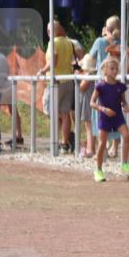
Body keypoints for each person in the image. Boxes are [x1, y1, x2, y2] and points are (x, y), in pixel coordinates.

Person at [90, 56, 129, 182]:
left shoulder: (120, 86)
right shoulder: (100, 86)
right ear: (105, 70)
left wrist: (125, 105)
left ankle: (124, 164)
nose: (115, 71)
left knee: (126, 136)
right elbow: (92, 103)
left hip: (118, 116)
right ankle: (98, 170)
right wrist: (103, 109)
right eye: (112, 68)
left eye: (116, 69)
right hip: (104, 117)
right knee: (103, 144)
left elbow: (123, 100)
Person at [37, 20, 75, 153]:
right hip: (68, 81)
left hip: (56, 82)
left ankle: (56, 141)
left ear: (50, 31)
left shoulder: (53, 43)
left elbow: (53, 62)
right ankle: (64, 143)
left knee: (49, 110)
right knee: (65, 114)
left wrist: (42, 70)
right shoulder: (68, 42)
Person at [77, 53, 97, 158]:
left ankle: (90, 149)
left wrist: (80, 77)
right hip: (94, 101)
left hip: (88, 101)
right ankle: (92, 148)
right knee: (92, 126)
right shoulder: (96, 74)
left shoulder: (89, 76)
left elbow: (81, 87)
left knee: (89, 126)